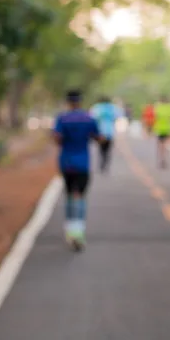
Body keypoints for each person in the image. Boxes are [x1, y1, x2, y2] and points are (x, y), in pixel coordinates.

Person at [53, 90, 102, 251]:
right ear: (80, 101)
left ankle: (69, 230)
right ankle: (78, 231)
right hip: (82, 163)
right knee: (80, 196)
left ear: (68, 102)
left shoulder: (62, 118)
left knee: (68, 194)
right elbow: (98, 137)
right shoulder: (89, 118)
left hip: (66, 162)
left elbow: (57, 138)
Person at [90, 96, 121, 173]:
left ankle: (102, 164)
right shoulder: (113, 108)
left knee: (101, 149)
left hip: (100, 132)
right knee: (107, 150)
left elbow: (92, 118)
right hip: (110, 132)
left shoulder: (97, 107)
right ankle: (105, 163)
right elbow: (117, 117)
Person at [153, 95, 170, 169]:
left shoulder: (158, 107)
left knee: (160, 145)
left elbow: (155, 116)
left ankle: (162, 158)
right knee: (167, 144)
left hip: (159, 129)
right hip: (168, 128)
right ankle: (166, 158)